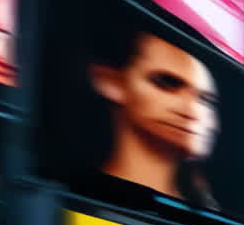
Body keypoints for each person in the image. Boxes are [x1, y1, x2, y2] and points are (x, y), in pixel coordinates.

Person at [87, 26, 220, 212]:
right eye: (167, 83)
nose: (193, 112)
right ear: (112, 82)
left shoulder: (209, 214)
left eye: (205, 99)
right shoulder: (85, 193)